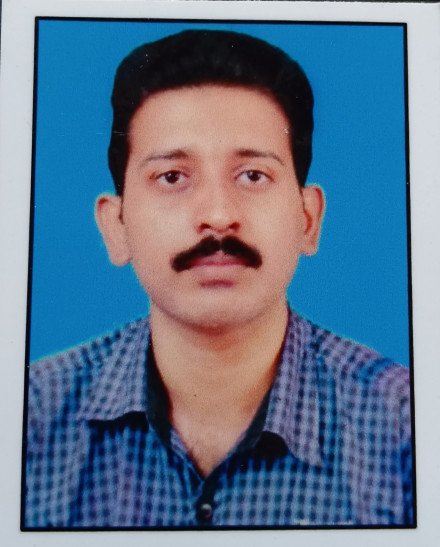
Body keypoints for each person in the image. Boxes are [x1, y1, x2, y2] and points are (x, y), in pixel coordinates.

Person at [24, 29, 413, 528]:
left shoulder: (406, 430)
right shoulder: (28, 422)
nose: (218, 216)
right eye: (172, 177)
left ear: (308, 219)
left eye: (253, 175)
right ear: (115, 226)